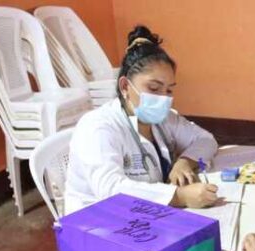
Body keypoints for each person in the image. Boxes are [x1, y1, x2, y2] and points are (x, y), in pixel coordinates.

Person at [65, 25, 219, 214]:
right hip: (99, 223)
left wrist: (184, 162)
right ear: (124, 86)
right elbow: (110, 190)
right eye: (154, 88)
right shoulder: (98, 126)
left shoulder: (163, 119)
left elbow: (206, 140)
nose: (163, 98)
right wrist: (178, 196)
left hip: (145, 216)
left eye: (169, 90)